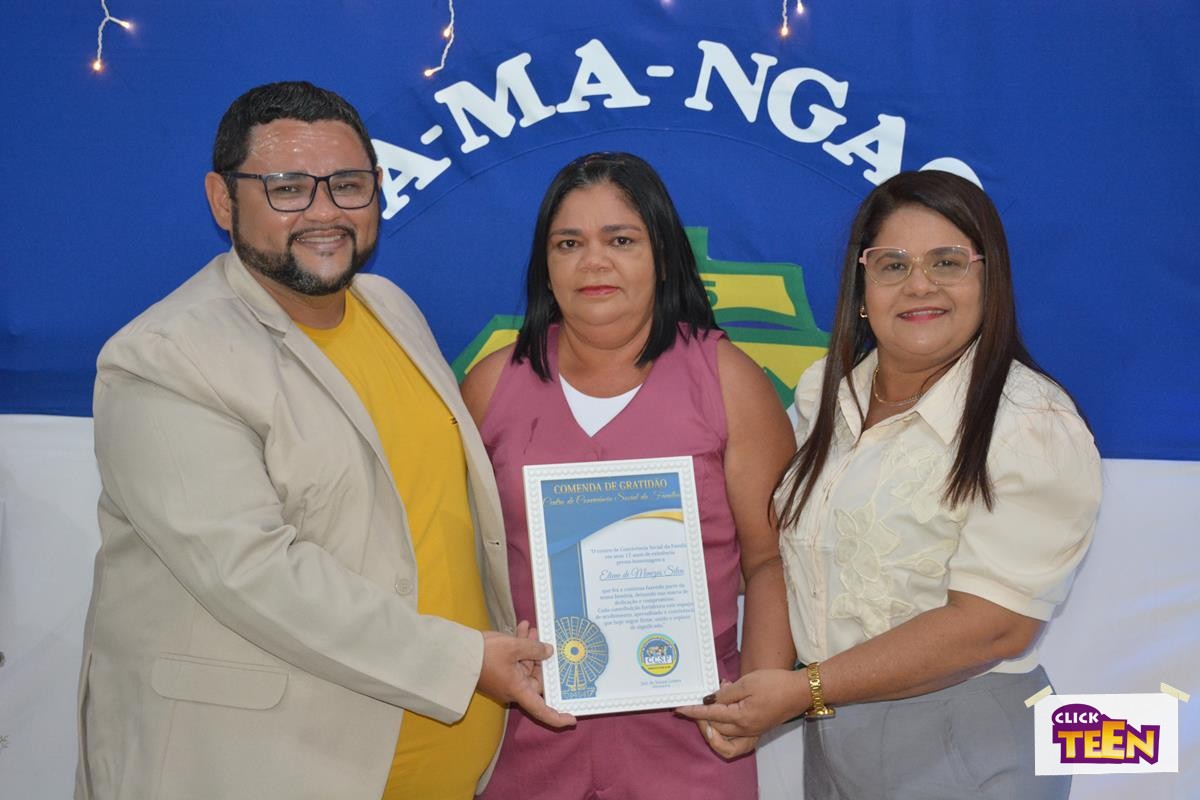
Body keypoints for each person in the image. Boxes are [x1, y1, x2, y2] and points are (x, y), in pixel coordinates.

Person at [75, 81, 572, 800]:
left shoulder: (390, 308)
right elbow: (251, 572)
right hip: (262, 773)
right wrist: (464, 661)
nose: (325, 212)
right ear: (222, 200)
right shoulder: (166, 357)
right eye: (287, 189)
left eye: (348, 185)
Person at [679, 170, 1101, 799]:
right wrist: (755, 697)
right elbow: (778, 560)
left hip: (965, 741)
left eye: (947, 262)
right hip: (831, 738)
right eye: (893, 264)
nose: (919, 284)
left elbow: (993, 627)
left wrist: (802, 690)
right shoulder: (826, 394)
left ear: (989, 280)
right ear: (862, 286)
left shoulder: (1030, 423)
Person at [460, 152, 796, 799]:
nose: (594, 262)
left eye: (621, 240)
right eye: (569, 243)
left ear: (662, 256)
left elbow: (770, 560)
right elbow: (457, 560)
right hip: (527, 740)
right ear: (545, 264)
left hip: (695, 741)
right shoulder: (490, 386)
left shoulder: (729, 381)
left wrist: (754, 700)